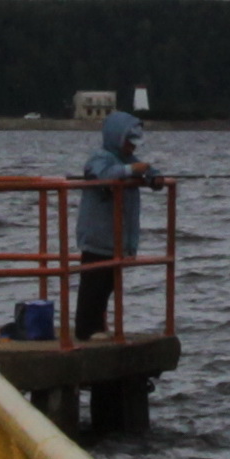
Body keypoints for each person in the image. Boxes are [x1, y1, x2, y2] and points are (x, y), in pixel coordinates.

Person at [69, 107, 165, 338]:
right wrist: (131, 170)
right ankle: (86, 330)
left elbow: (146, 169)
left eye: (135, 142)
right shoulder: (99, 158)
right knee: (93, 287)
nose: (132, 147)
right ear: (116, 137)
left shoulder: (128, 159)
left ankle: (98, 326)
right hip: (97, 238)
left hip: (117, 240)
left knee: (107, 286)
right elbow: (103, 175)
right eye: (129, 141)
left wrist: (154, 177)